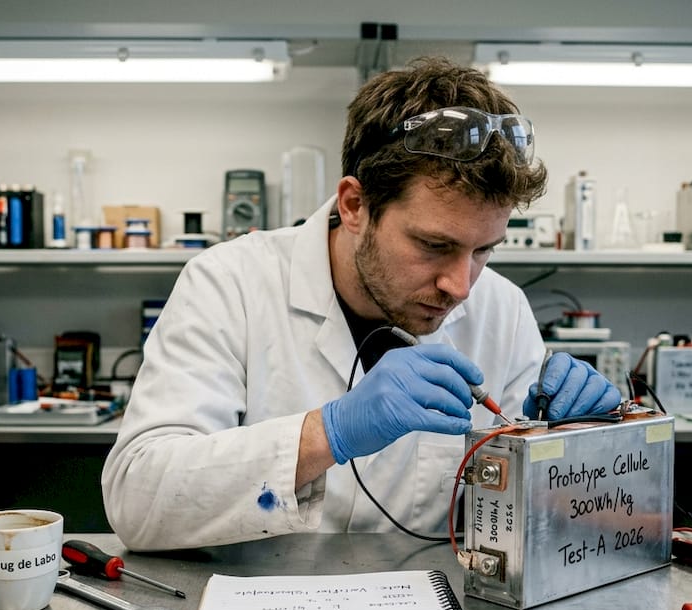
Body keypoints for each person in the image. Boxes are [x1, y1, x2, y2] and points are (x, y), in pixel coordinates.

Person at [102, 56, 622, 551]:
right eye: (434, 245)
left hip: (429, 605)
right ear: (355, 205)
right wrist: (327, 433)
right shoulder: (231, 283)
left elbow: (534, 524)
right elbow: (136, 500)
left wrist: (576, 451)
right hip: (253, 600)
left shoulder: (501, 310)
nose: (461, 286)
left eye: (484, 250)